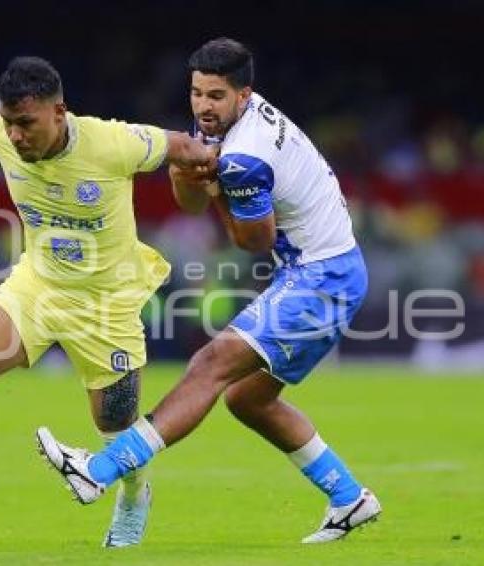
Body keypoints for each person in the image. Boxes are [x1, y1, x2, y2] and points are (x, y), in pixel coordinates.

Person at [0, 56, 217, 547]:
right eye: (11, 123)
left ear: (59, 112)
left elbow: (178, 146)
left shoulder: (113, 143)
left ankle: (135, 497)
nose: (18, 135)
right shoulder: (1, 129)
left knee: (117, 429)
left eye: (27, 123)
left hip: (105, 306)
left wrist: (216, 164)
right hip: (37, 288)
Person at [37, 38, 382, 544]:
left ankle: (102, 469)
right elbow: (191, 203)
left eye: (216, 95)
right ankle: (350, 497)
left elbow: (253, 242)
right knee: (247, 400)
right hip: (314, 271)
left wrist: (216, 184)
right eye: (197, 93)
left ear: (245, 95)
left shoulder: (246, 157)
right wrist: (186, 171)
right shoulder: (223, 126)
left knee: (210, 363)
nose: (203, 105)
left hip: (322, 276)